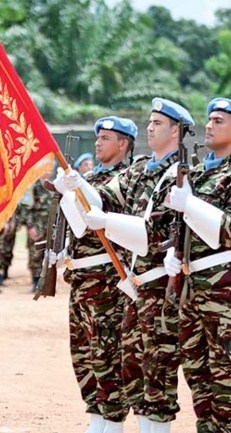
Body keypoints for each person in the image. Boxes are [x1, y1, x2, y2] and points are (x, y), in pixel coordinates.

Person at [77, 98, 195, 433]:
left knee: (156, 371)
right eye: (150, 121)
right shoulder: (143, 170)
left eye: (158, 123)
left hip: (160, 285)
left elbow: (151, 235)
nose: (150, 126)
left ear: (176, 131)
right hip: (137, 286)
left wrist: (106, 220)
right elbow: (106, 198)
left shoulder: (179, 175)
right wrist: (77, 183)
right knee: (133, 370)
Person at [163, 98, 231, 433]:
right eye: (208, 119)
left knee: (229, 376)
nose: (208, 125)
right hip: (194, 287)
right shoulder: (200, 172)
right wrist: (175, 253)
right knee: (199, 375)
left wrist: (191, 203)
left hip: (228, 291)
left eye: (218, 121)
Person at [52, 116, 136, 433]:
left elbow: (102, 206)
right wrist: (66, 193)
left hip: (107, 277)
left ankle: (113, 420)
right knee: (83, 352)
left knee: (107, 351)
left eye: (106, 138)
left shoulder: (126, 177)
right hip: (81, 278)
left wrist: (77, 184)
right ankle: (96, 416)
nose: (98, 142)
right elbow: (80, 226)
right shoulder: (94, 176)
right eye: (98, 137)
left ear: (123, 144)